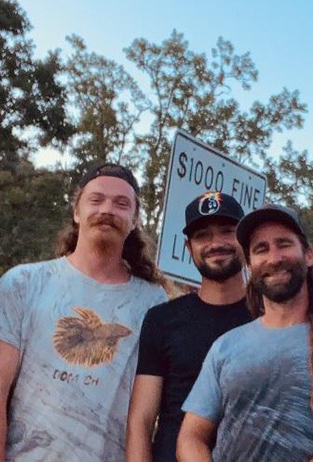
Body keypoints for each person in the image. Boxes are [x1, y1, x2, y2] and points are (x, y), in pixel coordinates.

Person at [0, 162, 168, 462]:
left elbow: (144, 415)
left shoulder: (153, 303)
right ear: (77, 211)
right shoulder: (24, 283)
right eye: (96, 199)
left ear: (133, 220)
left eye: (121, 204)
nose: (107, 209)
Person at [178, 203, 313, 461]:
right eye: (261, 249)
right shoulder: (225, 346)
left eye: (284, 244)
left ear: (308, 255)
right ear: (250, 266)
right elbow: (191, 437)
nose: (274, 258)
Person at [125, 191, 253, 462]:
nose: (215, 243)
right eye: (202, 235)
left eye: (227, 231)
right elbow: (141, 419)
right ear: (188, 248)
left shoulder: (272, 316)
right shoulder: (161, 320)